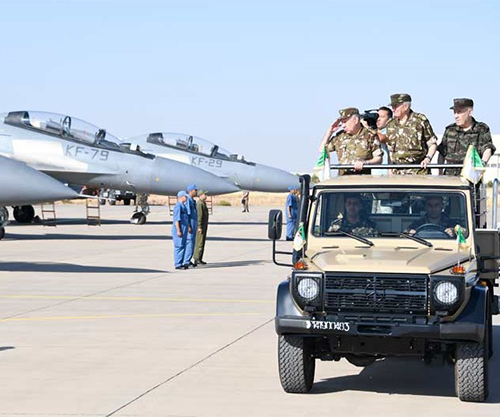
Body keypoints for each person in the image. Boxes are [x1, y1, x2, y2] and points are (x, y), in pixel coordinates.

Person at [437, 98, 496, 176]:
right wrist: (440, 175)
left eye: (459, 112)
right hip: (450, 177)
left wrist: (482, 163)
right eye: (455, 112)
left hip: (471, 177)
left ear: (469, 112)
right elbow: (442, 152)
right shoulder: (450, 130)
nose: (456, 116)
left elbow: (487, 148)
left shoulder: (481, 129)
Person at [319, 107, 382, 175]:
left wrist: (365, 163)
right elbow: (322, 150)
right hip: (342, 180)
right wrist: (330, 131)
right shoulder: (339, 137)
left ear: (355, 120)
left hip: (362, 180)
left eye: (345, 122)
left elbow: (378, 159)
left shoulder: (370, 136)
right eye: (342, 122)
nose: (343, 126)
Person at [386, 93, 438, 175]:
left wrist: (428, 159)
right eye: (392, 106)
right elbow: (390, 150)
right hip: (397, 173)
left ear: (406, 107)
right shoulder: (391, 124)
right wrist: (390, 169)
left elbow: (432, 143)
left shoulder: (420, 120)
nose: (393, 109)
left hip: (418, 171)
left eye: (396, 106)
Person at [371, 106, 393, 176]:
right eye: (377, 117)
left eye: (382, 117)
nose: (378, 119)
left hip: (386, 173)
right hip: (373, 174)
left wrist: (368, 128)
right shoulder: (372, 132)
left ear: (389, 119)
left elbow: (382, 138)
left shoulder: (391, 131)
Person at [172, 191, 189, 270]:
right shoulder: (178, 207)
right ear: (181, 197)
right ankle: (178, 264)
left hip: (184, 229)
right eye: (185, 196)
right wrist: (178, 230)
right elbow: (177, 220)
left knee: (183, 246)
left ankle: (181, 262)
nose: (186, 198)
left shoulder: (183, 206)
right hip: (179, 229)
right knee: (179, 246)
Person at [183, 184, 198, 268]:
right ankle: (186, 260)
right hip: (190, 224)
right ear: (191, 190)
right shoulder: (188, 200)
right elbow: (187, 214)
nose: (196, 191)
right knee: (190, 242)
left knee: (192, 242)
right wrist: (188, 225)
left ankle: (188, 259)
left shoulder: (192, 200)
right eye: (195, 190)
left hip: (194, 223)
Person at [194, 189, 209, 266]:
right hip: (201, 226)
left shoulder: (203, 203)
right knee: (199, 242)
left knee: (202, 242)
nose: (206, 196)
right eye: (205, 194)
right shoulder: (199, 204)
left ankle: (200, 258)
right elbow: (199, 216)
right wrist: (199, 226)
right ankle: (197, 258)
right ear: (201, 195)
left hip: (204, 225)